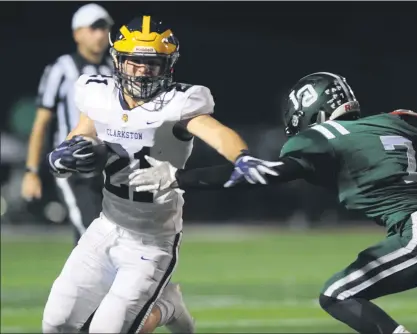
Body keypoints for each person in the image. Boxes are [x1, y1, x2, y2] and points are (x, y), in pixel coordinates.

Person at [129, 72, 417, 334]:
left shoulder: (324, 137)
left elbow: (262, 174)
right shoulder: (392, 125)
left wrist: (178, 177)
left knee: (338, 295)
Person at [42, 15, 279, 333]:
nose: (143, 70)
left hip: (152, 242)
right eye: (135, 62)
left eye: (152, 63)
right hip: (106, 227)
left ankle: (166, 306)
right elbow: (82, 133)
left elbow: (218, 133)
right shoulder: (96, 94)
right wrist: (64, 155)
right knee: (56, 323)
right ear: (118, 61)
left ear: (167, 65)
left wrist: (242, 157)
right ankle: (166, 302)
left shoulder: (180, 103)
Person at [21, 3, 114, 245]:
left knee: (107, 238)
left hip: (108, 166)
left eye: (104, 29)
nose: (101, 35)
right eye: (94, 28)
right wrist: (31, 171)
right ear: (77, 33)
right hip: (72, 167)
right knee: (93, 239)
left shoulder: (113, 68)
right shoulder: (62, 69)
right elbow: (41, 122)